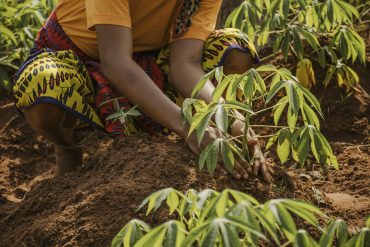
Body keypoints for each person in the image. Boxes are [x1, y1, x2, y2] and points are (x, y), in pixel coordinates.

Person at [13, 0, 271, 182]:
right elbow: (115, 61)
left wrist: (231, 119)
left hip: (149, 59)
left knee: (233, 48)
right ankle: (66, 147)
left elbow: (185, 64)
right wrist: (187, 126)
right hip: (74, 55)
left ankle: (162, 124)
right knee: (42, 84)